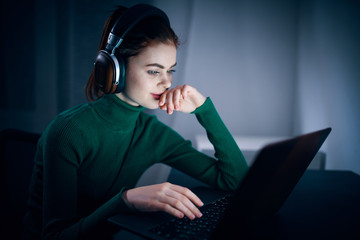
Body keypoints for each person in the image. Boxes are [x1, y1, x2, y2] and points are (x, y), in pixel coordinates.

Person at [23, 4, 248, 240]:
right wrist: (126, 200)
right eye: (154, 71)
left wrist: (204, 110)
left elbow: (236, 183)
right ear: (114, 70)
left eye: (170, 70)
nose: (166, 83)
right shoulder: (68, 132)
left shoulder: (154, 135)